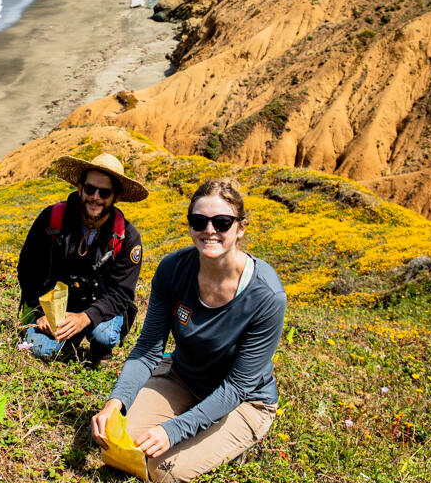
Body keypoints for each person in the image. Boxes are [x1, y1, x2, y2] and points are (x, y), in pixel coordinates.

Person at [91, 178, 286, 483]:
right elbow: (147, 350)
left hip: (245, 400)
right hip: (184, 376)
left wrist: (174, 430)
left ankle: (240, 438)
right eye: (199, 221)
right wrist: (115, 403)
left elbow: (236, 387)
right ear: (191, 225)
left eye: (222, 222)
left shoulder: (266, 295)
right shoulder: (173, 269)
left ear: (241, 227)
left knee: (162, 470)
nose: (210, 230)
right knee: (122, 445)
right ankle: (191, 420)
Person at [17, 153, 148, 366]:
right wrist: (40, 312)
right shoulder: (52, 219)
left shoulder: (127, 237)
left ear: (116, 197)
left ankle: (101, 349)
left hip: (101, 304)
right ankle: (69, 339)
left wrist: (85, 317)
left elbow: (122, 293)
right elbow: (27, 269)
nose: (95, 197)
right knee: (39, 349)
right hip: (56, 305)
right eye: (90, 189)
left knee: (104, 334)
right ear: (80, 188)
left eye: (104, 192)